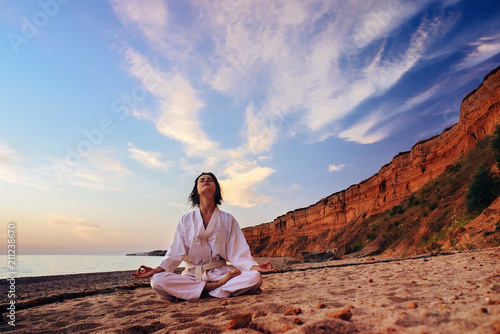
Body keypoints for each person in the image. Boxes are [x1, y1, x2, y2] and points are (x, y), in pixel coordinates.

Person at [133, 172, 277, 301]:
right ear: (196, 190)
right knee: (157, 280)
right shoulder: (185, 220)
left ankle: (197, 292)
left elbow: (238, 252)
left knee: (255, 278)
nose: (206, 181)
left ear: (217, 190)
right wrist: (157, 270)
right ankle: (217, 289)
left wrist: (253, 267)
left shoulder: (228, 219)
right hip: (191, 276)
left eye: (210, 179)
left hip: (221, 273)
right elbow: (175, 253)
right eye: (202, 180)